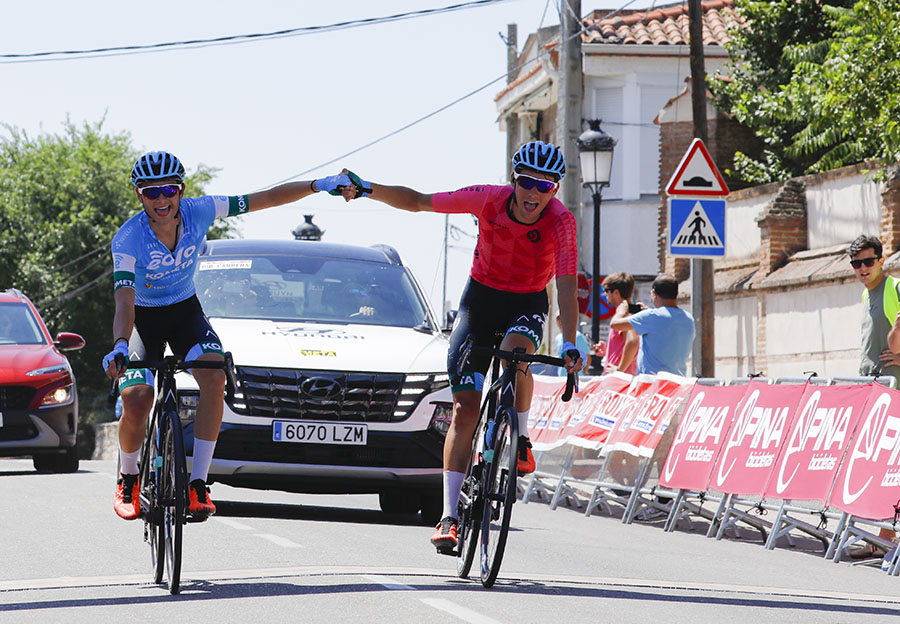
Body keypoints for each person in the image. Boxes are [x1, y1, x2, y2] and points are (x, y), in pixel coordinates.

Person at [338, 140, 584, 553]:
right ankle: (449, 516)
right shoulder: (487, 199)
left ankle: (521, 438)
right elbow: (419, 201)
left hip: (526, 302)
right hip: (480, 303)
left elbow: (566, 284)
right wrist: (368, 189)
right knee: (464, 410)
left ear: (555, 190)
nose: (534, 194)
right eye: (527, 183)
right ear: (513, 180)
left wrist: (571, 340)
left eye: (545, 187)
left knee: (517, 353)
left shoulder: (561, 221)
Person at [103, 150, 351, 522]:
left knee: (214, 375)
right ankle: (128, 478)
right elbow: (124, 300)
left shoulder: (202, 210)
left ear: (181, 190)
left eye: (169, 190)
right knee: (137, 398)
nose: (161, 200)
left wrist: (318, 185)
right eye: (151, 192)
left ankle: (198, 483)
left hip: (184, 312)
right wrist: (121, 345)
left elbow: (266, 199)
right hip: (142, 318)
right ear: (139, 195)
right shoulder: (127, 238)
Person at [849, 234, 899, 562]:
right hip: (874, 390)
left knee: (892, 468)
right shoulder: (866, 294)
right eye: (857, 263)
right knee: (881, 468)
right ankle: (881, 538)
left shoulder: (895, 287)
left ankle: (883, 538)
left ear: (881, 260)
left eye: (869, 261)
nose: (863, 268)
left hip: (895, 391)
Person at [609, 274, 694, 376]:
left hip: (653, 381)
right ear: (677, 293)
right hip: (678, 381)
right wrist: (648, 313)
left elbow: (615, 325)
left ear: (654, 293)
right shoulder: (689, 319)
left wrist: (621, 311)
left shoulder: (651, 317)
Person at [600, 272, 640, 375]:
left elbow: (632, 342)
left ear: (616, 292)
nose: (605, 295)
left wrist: (619, 370)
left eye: (606, 291)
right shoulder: (630, 317)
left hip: (620, 380)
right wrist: (606, 351)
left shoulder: (625, 318)